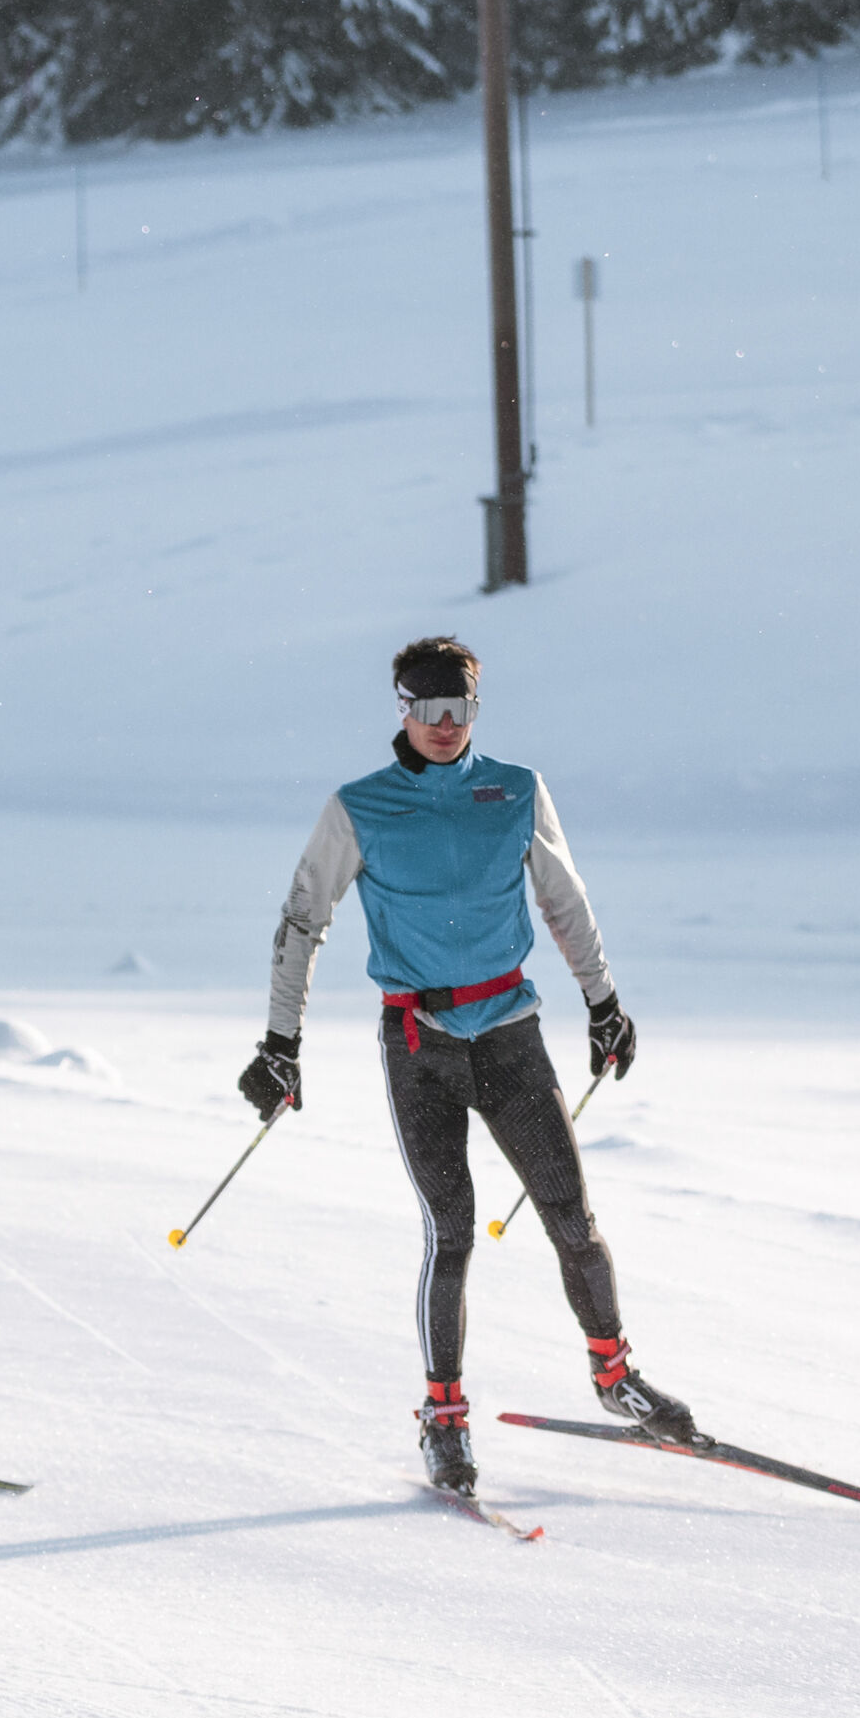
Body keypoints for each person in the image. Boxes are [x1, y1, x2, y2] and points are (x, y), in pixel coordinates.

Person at [242, 636, 690, 1496]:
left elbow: (564, 899)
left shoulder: (514, 790)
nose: (446, 727)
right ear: (401, 709)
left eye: (462, 712)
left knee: (572, 1214)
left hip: (511, 1032)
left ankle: (613, 1376)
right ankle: (443, 1417)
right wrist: (280, 1041)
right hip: (422, 1047)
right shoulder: (359, 807)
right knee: (452, 1230)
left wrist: (604, 1002)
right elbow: (302, 921)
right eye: (429, 711)